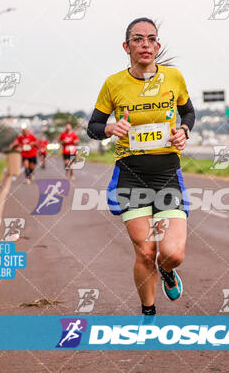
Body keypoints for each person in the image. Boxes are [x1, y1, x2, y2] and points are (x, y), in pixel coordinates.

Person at [87, 17, 195, 316]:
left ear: (158, 46)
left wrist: (183, 131)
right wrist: (111, 129)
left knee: (172, 253)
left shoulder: (174, 77)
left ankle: (167, 270)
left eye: (150, 39)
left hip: (167, 174)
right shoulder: (113, 83)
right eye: (137, 39)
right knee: (145, 251)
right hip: (131, 176)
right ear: (127, 46)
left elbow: (188, 112)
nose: (145, 44)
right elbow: (94, 126)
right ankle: (148, 312)